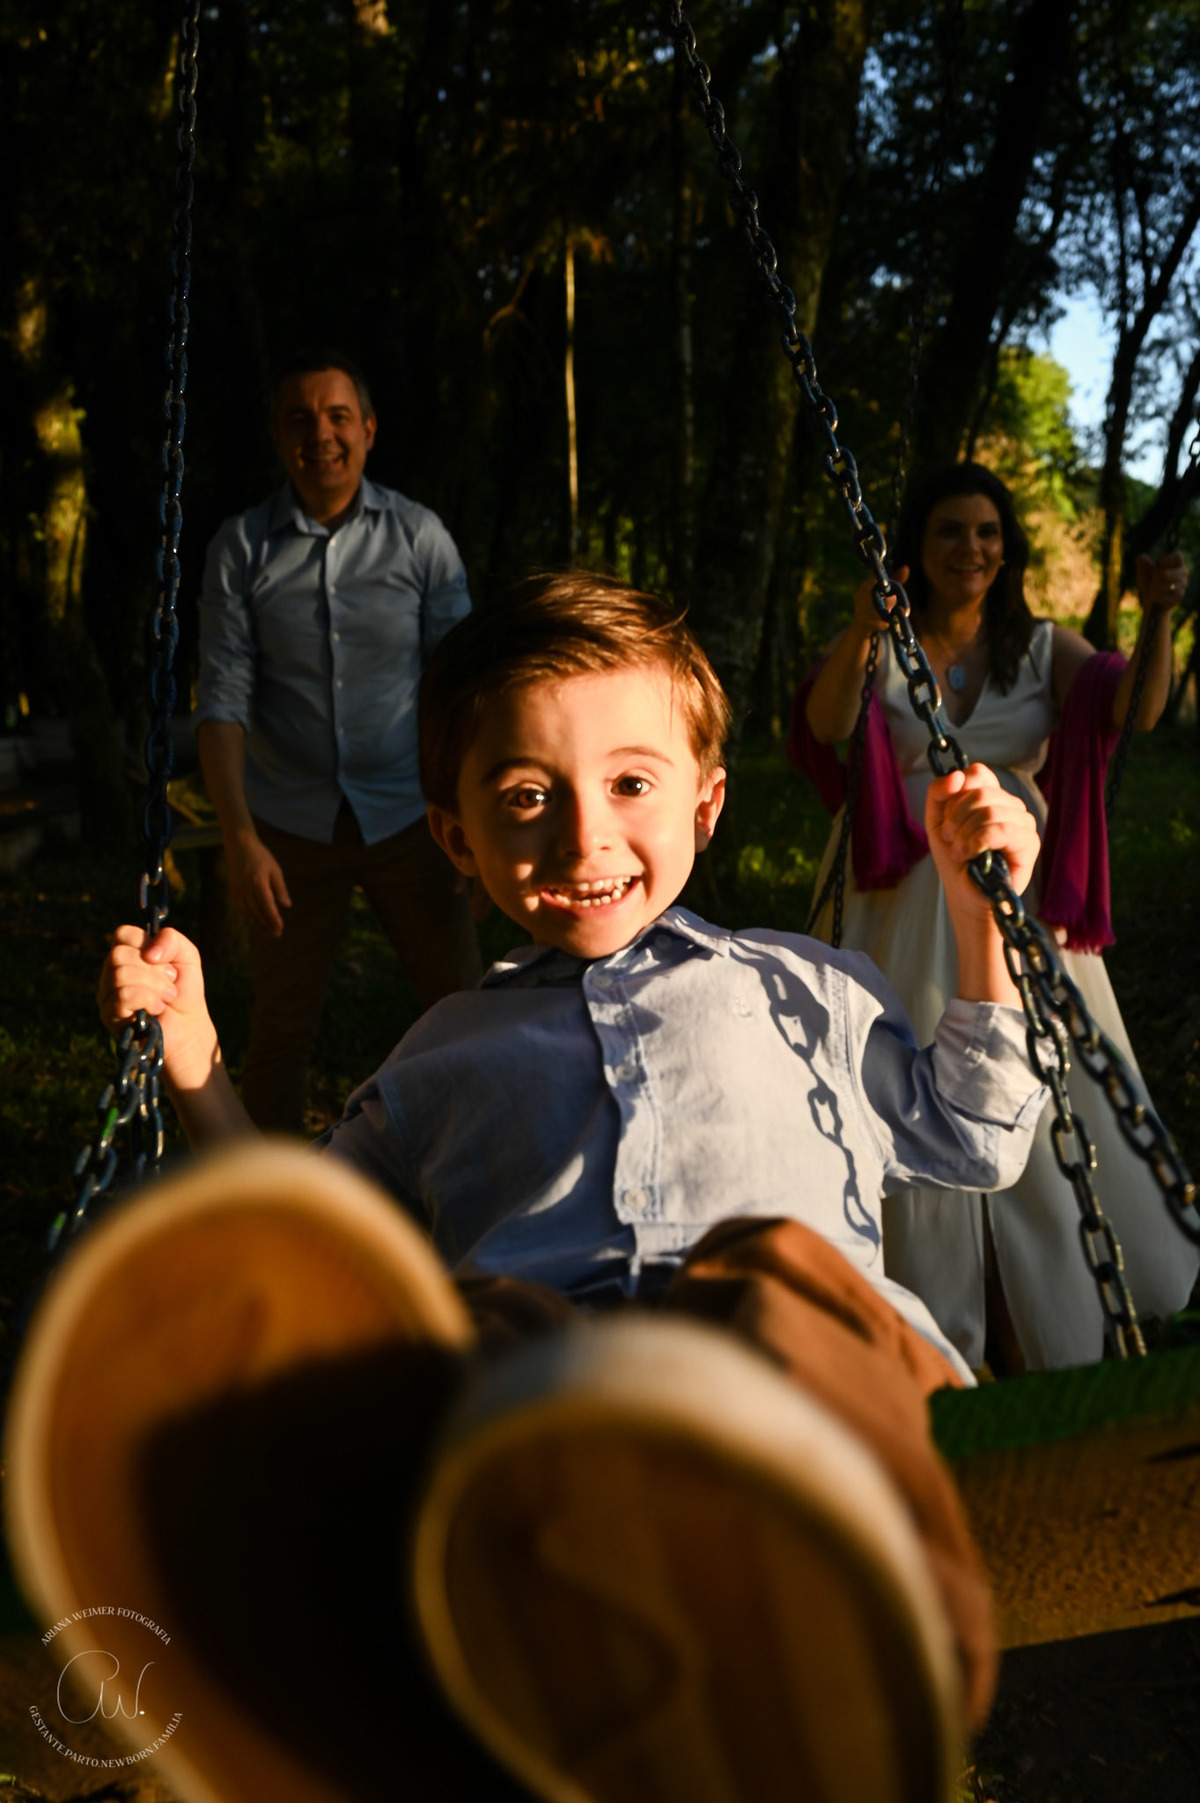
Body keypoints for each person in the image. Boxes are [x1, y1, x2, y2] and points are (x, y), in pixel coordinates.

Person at [50, 573, 1045, 1800]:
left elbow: (979, 1136)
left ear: (706, 802)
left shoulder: (805, 985)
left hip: (803, 1386)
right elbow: (308, 1239)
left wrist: (982, 918)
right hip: (546, 1409)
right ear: (456, 837)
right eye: (527, 797)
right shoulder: (440, 1052)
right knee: (474, 1335)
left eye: (631, 784)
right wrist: (196, 1062)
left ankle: (854, 1641)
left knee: (769, 1277)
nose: (583, 840)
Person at [792, 460, 1199, 1374]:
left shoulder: (1042, 646)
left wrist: (1158, 615)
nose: (970, 548)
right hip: (894, 892)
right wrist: (864, 626)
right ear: (916, 544)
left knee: (1039, 1083)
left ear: (1006, 547)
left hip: (1015, 886)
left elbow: (1137, 707)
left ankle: (1049, 1310)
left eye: (986, 531)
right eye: (950, 530)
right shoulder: (883, 636)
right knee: (901, 1071)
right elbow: (825, 725)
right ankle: (919, 1315)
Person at [193, 350, 482, 1134]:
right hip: (288, 828)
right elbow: (222, 697)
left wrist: (475, 821)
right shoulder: (240, 547)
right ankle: (270, 1192)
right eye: (299, 419)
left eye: (337, 416)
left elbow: (462, 683)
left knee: (465, 1009)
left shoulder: (419, 536)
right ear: (277, 437)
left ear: (369, 430)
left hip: (415, 817)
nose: (319, 434)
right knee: (280, 1030)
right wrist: (240, 839)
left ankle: (476, 1173)